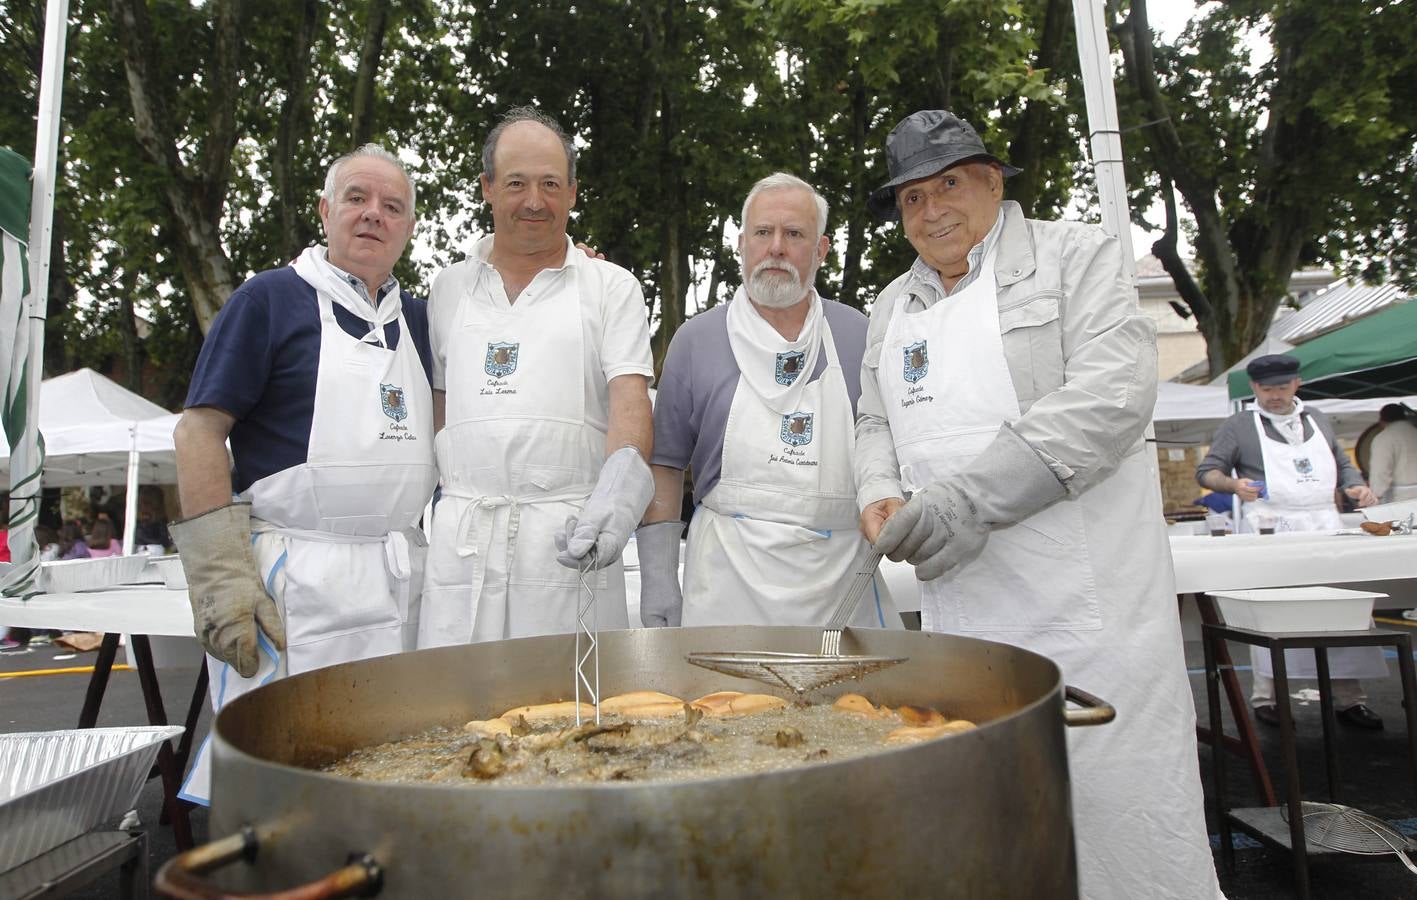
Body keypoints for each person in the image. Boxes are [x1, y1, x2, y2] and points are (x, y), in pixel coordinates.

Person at [854, 110, 1221, 899]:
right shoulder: (892, 306)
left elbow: (1111, 399)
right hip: (969, 611)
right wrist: (878, 489)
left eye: (948, 184)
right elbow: (873, 419)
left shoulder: (1075, 256)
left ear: (992, 180)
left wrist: (967, 502)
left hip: (1094, 617)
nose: (931, 210)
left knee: (1115, 812)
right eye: (911, 198)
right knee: (993, 815)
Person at [172, 143, 437, 804]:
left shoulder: (426, 320)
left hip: (396, 580)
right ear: (324, 211)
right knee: (275, 779)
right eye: (357, 198)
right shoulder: (269, 300)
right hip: (292, 581)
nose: (373, 215)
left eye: (392, 206)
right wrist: (220, 576)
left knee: (388, 761)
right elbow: (198, 430)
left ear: (408, 228)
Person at [418, 107, 654, 645]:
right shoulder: (447, 290)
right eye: (517, 183)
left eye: (550, 184)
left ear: (572, 192)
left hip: (570, 540)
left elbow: (630, 403)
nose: (534, 201)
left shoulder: (611, 287)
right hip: (464, 547)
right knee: (458, 711)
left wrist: (615, 505)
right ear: (487, 188)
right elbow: (440, 408)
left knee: (566, 715)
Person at [637, 173, 896, 629]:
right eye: (763, 232)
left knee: (854, 703)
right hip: (727, 583)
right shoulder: (696, 341)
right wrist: (658, 576)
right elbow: (665, 464)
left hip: (841, 587)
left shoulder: (861, 335)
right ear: (741, 244)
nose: (776, 247)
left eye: (794, 234)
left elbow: (887, 441)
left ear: (821, 250)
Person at [1197, 353, 1385, 729]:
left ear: (1297, 384)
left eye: (1282, 388)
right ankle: (1268, 697)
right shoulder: (1240, 426)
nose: (1274, 396)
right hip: (1271, 526)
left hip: (1324, 525)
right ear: (1254, 388)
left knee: (1339, 612)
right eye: (1266, 389)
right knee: (1273, 612)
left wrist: (1355, 485)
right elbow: (1208, 472)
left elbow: (1341, 463)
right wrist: (1233, 485)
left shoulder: (1317, 419)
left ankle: (1349, 698)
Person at [1369, 403, 1417, 503]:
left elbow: (1380, 470)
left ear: (1382, 421)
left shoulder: (1384, 438)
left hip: (1404, 496)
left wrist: (1376, 495)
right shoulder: (1414, 431)